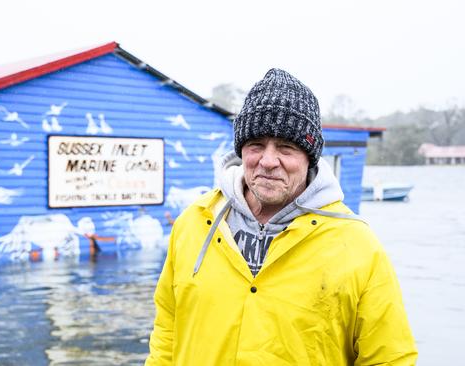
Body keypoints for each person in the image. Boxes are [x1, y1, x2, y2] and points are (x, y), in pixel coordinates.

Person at [145, 69, 417, 365]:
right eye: (256, 145)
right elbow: (166, 333)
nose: (268, 161)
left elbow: (389, 357)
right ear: (241, 151)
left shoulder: (356, 245)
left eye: (286, 148)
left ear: (309, 157)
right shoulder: (194, 224)